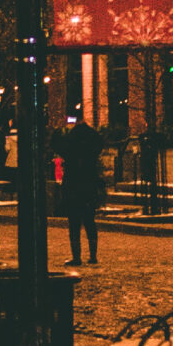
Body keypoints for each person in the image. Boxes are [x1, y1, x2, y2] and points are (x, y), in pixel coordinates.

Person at [56, 113, 106, 265]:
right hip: (88, 184)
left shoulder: (71, 142)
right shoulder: (92, 142)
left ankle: (76, 257)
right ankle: (93, 255)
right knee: (90, 221)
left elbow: (58, 145)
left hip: (73, 186)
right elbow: (100, 144)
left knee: (74, 223)